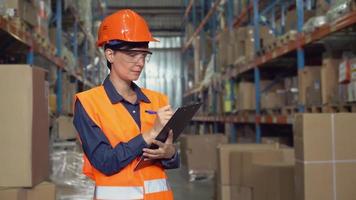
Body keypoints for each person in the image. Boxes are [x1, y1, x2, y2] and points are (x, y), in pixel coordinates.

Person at [73, 9, 179, 200]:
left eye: (144, 55)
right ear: (110, 54)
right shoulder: (88, 103)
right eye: (132, 55)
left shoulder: (158, 100)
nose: (140, 62)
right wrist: (149, 134)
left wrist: (170, 153)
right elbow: (105, 161)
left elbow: (170, 157)